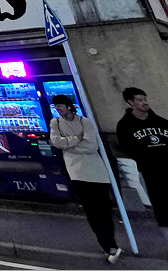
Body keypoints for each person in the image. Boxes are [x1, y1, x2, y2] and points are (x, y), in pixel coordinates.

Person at [117, 87, 168, 266]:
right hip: (152, 174)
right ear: (130, 102)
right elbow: (128, 148)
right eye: (140, 99)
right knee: (163, 212)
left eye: (145, 98)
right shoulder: (125, 125)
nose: (145, 102)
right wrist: (151, 159)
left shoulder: (162, 122)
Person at [49, 95, 122, 264]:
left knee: (103, 209)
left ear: (68, 106)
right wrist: (77, 139)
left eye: (61, 105)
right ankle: (106, 245)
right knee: (91, 211)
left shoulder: (85, 122)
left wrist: (69, 145)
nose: (58, 109)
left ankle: (111, 243)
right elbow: (56, 142)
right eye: (56, 106)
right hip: (77, 173)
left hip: (97, 172)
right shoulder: (56, 123)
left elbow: (92, 145)